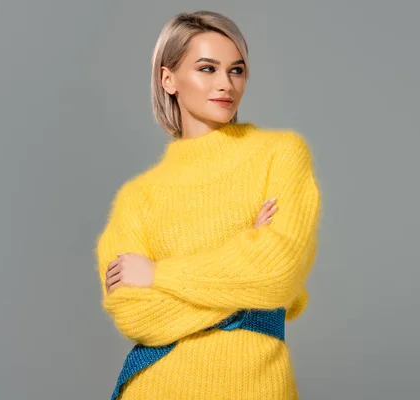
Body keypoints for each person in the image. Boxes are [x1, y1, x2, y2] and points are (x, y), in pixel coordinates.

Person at [94, 10, 321, 400]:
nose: (226, 85)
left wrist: (157, 275)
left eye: (236, 70)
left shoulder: (280, 155)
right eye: (207, 68)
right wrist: (246, 272)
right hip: (155, 386)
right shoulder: (138, 197)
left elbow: (278, 273)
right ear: (169, 79)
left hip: (256, 386)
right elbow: (134, 312)